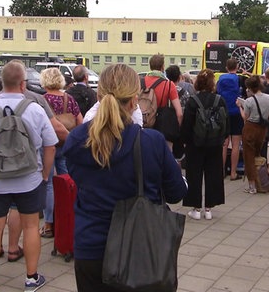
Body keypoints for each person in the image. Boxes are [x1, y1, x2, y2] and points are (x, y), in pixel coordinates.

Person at [62, 64, 187, 292]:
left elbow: (78, 178)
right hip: (139, 250)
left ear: (99, 97)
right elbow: (177, 192)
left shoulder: (77, 140)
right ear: (134, 101)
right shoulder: (151, 142)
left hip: (90, 247)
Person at [0, 60, 58, 291]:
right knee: (30, 228)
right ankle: (31, 278)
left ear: (1, 83)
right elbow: (51, 146)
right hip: (29, 180)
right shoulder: (35, 109)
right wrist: (45, 174)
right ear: (23, 83)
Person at [0, 63, 69, 262]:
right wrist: (45, 173)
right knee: (29, 223)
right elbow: (51, 141)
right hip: (28, 172)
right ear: (23, 84)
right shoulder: (36, 101)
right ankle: (24, 265)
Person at [39, 67, 83, 238]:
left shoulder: (41, 100)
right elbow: (80, 121)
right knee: (68, 181)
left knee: (48, 184)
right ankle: (70, 217)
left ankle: (49, 224)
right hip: (66, 145)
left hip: (47, 147)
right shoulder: (69, 98)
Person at [181, 69, 228, 219]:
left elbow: (187, 124)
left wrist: (185, 141)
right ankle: (208, 209)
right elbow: (225, 122)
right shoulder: (219, 100)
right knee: (213, 173)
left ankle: (195, 208)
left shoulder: (193, 101)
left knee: (194, 174)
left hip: (196, 143)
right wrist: (223, 138)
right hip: (214, 143)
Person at [239, 75, 269, 194]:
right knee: (258, 154)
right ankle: (262, 179)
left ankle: (252, 185)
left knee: (248, 156)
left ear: (250, 88)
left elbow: (245, 117)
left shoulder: (249, 101)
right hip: (263, 129)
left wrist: (240, 106)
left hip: (250, 128)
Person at [143, 54, 183, 150]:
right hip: (162, 127)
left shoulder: (140, 82)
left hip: (144, 126)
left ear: (150, 66)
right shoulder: (169, 84)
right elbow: (179, 113)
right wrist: (175, 129)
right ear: (162, 67)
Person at [217, 58, 243, 181]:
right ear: (237, 67)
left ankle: (221, 171)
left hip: (223, 113)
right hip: (236, 113)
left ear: (226, 67)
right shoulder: (239, 79)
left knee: (224, 144)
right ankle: (233, 173)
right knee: (236, 144)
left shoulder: (221, 79)